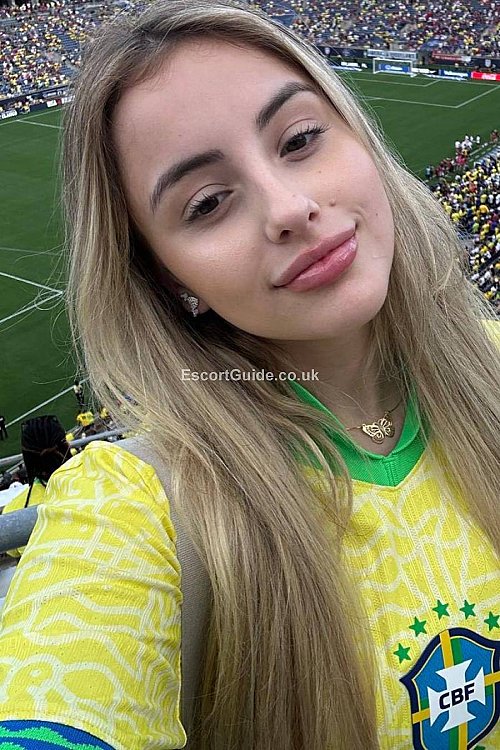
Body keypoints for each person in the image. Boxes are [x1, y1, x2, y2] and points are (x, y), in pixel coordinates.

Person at [0, 2, 498, 749]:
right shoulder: (135, 508)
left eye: (300, 139)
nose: (291, 208)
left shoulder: (492, 361)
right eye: (207, 204)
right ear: (168, 279)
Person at [1, 415, 72, 556]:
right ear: (66, 446)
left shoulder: (14, 511)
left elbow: (13, 551)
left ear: (27, 457)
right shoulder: (98, 477)